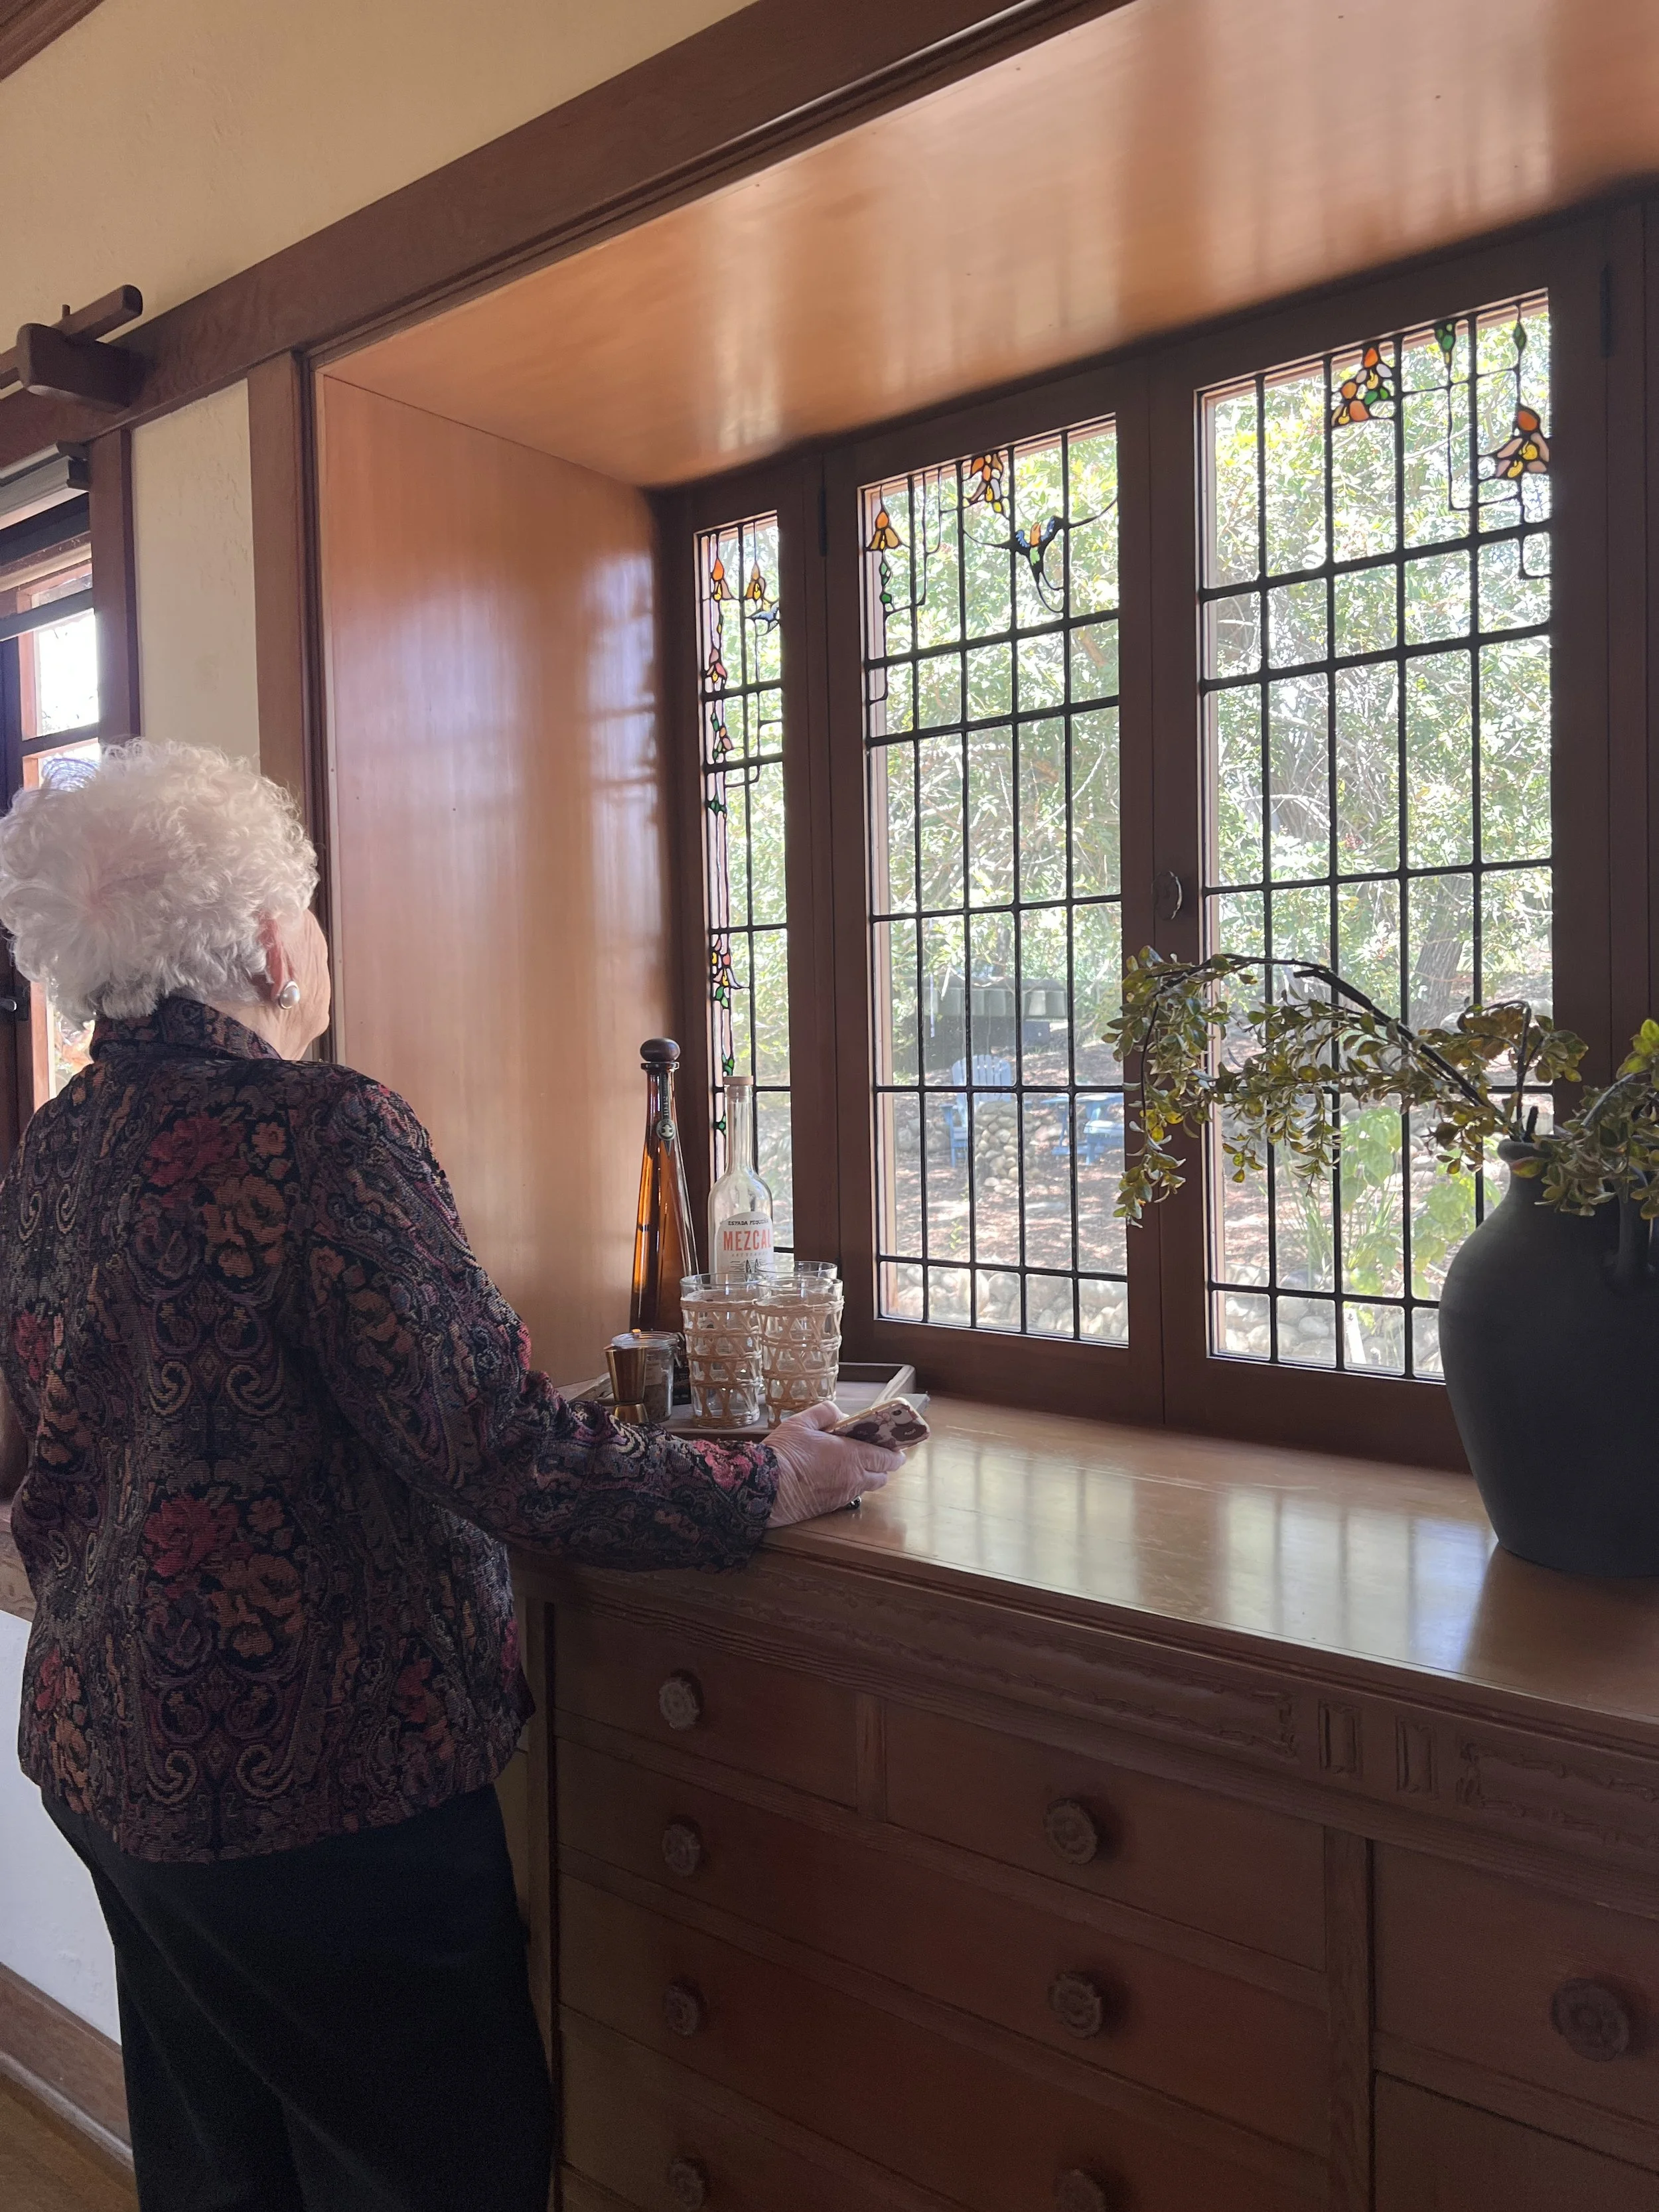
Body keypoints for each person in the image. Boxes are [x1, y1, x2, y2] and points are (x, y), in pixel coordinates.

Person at [0, 741, 902, 2212]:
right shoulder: (323, 1132)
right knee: (438, 2172)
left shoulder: (55, 1146)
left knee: (222, 2166)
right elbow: (502, 1447)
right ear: (271, 944)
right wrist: (771, 1477)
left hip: (109, 1756)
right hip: (320, 1803)